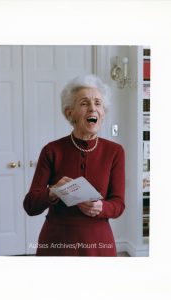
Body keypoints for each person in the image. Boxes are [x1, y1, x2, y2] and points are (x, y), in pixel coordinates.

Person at [23, 74, 125, 256]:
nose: (93, 108)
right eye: (85, 103)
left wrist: (102, 207)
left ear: (103, 113)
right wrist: (52, 192)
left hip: (99, 244)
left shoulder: (115, 151)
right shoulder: (52, 150)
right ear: (70, 112)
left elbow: (118, 204)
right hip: (56, 243)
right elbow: (30, 206)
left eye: (98, 103)